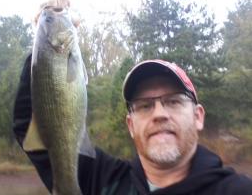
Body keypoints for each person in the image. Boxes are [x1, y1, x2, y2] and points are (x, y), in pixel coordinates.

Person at [13, 55, 252, 194]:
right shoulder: (102, 180)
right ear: (130, 124)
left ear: (198, 116)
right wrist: (44, 47)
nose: (159, 114)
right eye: (145, 106)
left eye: (173, 101)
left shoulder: (237, 191)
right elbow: (32, 124)